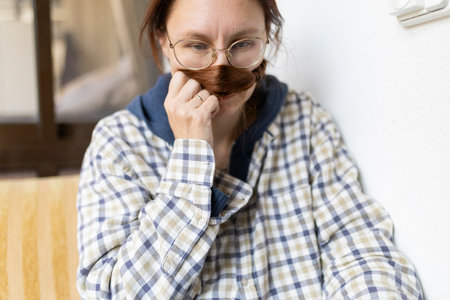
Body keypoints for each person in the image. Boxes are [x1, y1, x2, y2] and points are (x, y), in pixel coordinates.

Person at [76, 0, 424, 299]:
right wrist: (191, 158)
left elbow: (359, 249)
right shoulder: (117, 143)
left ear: (267, 39)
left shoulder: (305, 122)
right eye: (196, 46)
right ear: (164, 41)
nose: (220, 69)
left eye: (243, 44)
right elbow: (115, 291)